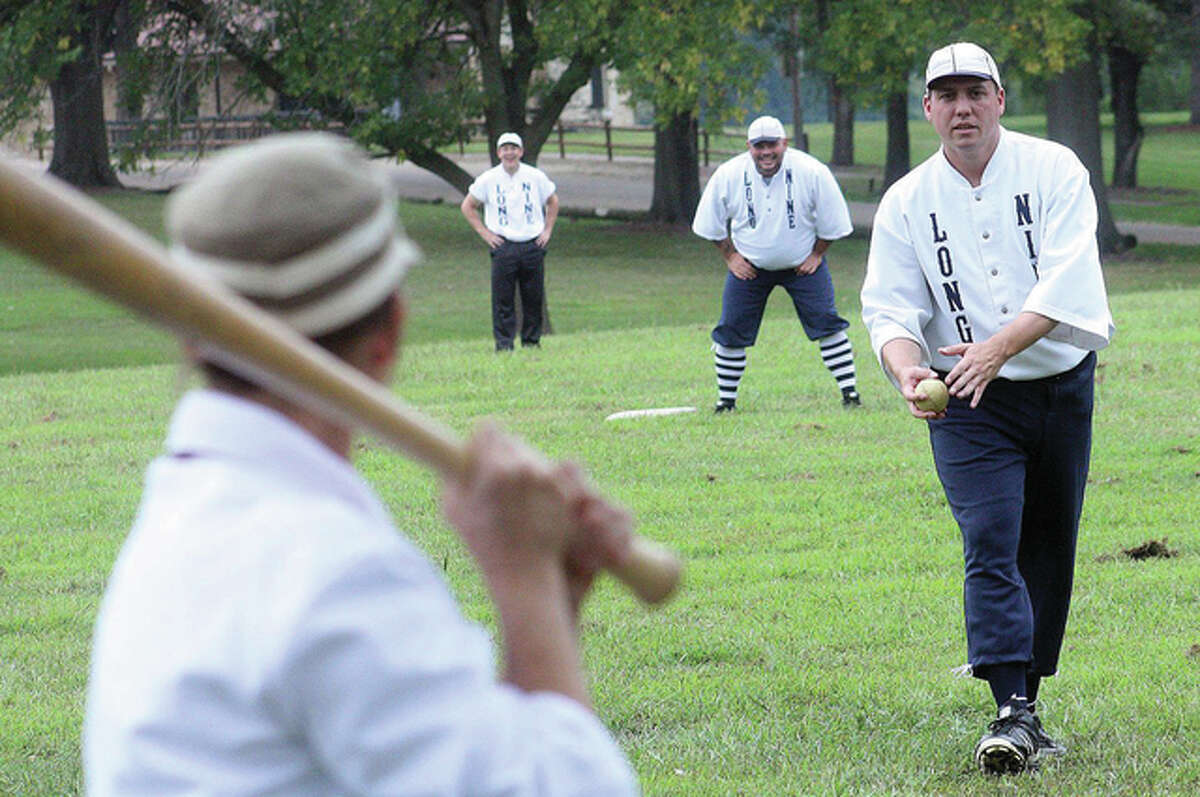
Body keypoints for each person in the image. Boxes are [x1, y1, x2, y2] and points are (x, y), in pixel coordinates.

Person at [84, 133, 638, 795]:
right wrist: (521, 575)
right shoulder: (331, 568)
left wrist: (549, 600)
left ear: (192, 339)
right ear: (389, 335)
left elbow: (467, 759)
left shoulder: (188, 513)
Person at [861, 42, 1115, 776]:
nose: (962, 107)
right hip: (967, 397)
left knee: (1047, 541)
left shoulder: (1055, 169)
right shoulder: (907, 200)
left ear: (1000, 99)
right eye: (947, 95)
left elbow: (1070, 276)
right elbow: (889, 308)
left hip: (1061, 384)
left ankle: (1026, 703)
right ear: (928, 109)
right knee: (990, 535)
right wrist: (910, 370)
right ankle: (1010, 709)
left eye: (976, 91)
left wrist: (998, 346)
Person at [692, 114, 862, 412]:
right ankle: (725, 401)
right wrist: (731, 256)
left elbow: (834, 220)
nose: (766, 152)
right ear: (749, 147)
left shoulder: (812, 171)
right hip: (750, 268)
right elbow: (709, 222)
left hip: (802, 266)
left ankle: (850, 394)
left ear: (784, 143)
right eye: (759, 146)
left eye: (772, 144)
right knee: (731, 329)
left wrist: (817, 254)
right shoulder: (729, 174)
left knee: (827, 322)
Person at [460, 132, 559, 351]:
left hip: (532, 244)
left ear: (521, 152)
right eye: (505, 149)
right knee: (503, 300)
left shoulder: (535, 176)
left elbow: (552, 201)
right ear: (498, 153)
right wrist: (485, 234)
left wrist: (547, 230)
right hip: (503, 246)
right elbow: (468, 206)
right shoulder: (488, 179)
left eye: (514, 148)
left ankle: (531, 342)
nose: (509, 153)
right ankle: (504, 345)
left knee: (532, 298)